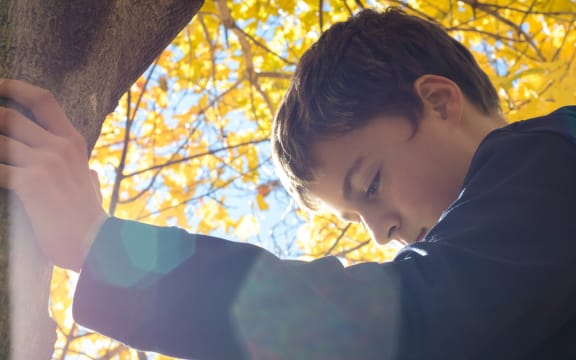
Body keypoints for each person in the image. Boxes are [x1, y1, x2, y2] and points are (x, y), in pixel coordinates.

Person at [1, 7, 575, 360]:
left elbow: (395, 318)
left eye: (370, 184)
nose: (383, 235)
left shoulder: (551, 154)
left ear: (438, 100)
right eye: (356, 221)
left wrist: (101, 246)